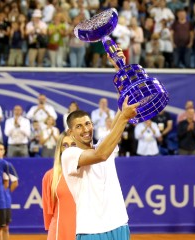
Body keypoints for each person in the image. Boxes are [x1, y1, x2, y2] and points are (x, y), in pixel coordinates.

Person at [61, 49, 139, 240]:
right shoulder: (70, 155)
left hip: (119, 224)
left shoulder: (104, 143)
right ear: (70, 132)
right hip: (91, 231)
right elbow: (100, 155)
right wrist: (123, 120)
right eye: (78, 126)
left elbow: (122, 112)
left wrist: (119, 71)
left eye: (87, 123)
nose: (85, 129)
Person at [42, 132, 76, 240]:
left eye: (73, 144)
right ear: (59, 149)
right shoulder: (50, 176)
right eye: (64, 145)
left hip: (83, 230)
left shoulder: (87, 172)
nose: (69, 148)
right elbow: (48, 210)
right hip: (58, 232)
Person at [0, 142, 19, 240]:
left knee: (4, 227)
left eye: (1, 149)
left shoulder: (7, 165)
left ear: (4, 151)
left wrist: (5, 192)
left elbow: (15, 182)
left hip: (4, 202)